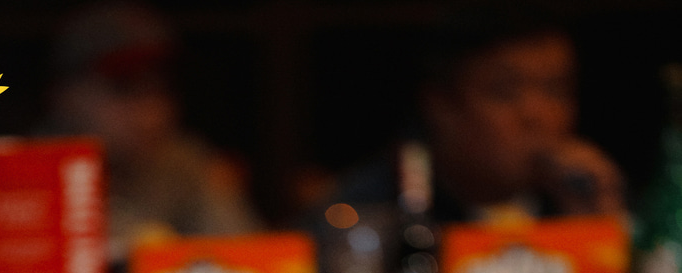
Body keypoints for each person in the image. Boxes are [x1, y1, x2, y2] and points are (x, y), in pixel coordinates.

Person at [325, 10, 623, 224]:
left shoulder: (591, 198)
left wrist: (601, 231)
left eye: (555, 90)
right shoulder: (370, 212)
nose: (536, 115)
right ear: (440, 106)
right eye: (505, 92)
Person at [43, 2, 260, 254]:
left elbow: (250, 257)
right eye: (124, 88)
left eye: (160, 88)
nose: (150, 112)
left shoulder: (184, 163)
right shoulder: (27, 174)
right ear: (66, 96)